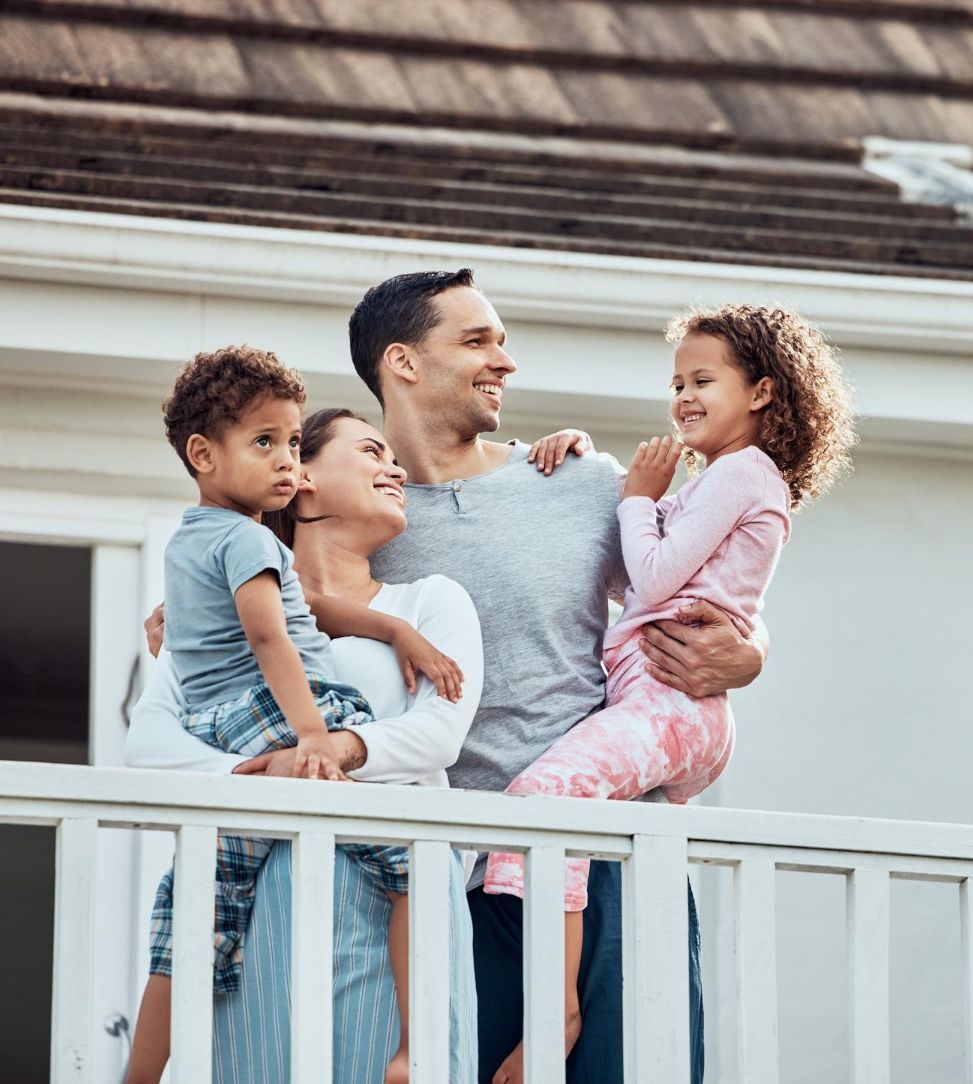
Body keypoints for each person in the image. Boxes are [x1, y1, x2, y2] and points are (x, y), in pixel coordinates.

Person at [347, 269, 770, 1084]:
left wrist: (753, 654)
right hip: (452, 882)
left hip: (614, 867)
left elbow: (715, 576)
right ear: (402, 363)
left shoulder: (575, 481)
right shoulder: (358, 513)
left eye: (501, 341)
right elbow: (266, 593)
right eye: (477, 341)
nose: (505, 361)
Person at [479, 304, 856, 1067]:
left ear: (762, 392)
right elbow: (629, 577)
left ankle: (557, 1013)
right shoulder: (717, 481)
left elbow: (650, 574)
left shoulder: (744, 473)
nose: (682, 395)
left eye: (703, 380)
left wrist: (633, 497)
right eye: (676, 381)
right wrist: (581, 469)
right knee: (596, 841)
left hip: (671, 702)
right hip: (667, 705)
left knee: (541, 802)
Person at [126, 404, 484, 1083]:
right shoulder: (217, 603)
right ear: (302, 479)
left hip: (387, 897)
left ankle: (412, 1048)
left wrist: (331, 752)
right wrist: (262, 771)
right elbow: (149, 743)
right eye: (372, 451)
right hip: (266, 891)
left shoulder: (428, 601)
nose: (396, 468)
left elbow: (439, 732)